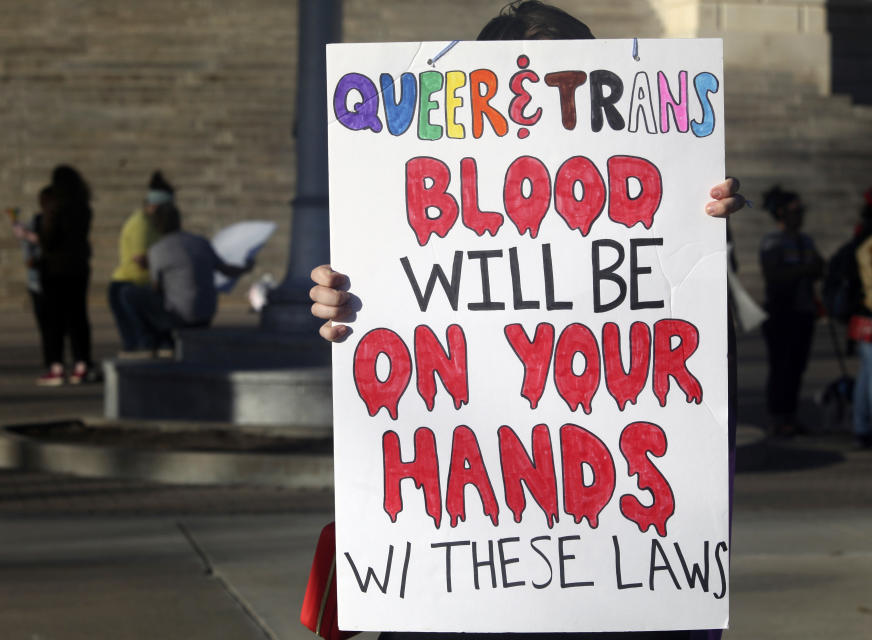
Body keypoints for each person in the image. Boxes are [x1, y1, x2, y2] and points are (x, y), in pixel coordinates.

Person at [309, 3, 749, 640]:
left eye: (561, 79)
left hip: (619, 601)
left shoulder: (657, 206)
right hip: (457, 601)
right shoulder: (403, 201)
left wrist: (703, 245)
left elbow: (695, 385)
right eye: (519, 83)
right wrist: (344, 308)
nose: (537, 104)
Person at [117, 202, 253, 354]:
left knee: (127, 293)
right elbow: (226, 269)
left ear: (156, 225)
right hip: (206, 314)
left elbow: (157, 289)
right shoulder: (200, 242)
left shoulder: (157, 250)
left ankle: (149, 344)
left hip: (181, 318)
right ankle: (163, 341)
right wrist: (247, 267)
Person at [758, 185, 824, 436]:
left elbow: (820, 266)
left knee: (797, 367)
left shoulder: (806, 240)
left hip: (803, 312)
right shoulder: (773, 242)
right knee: (780, 367)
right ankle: (778, 417)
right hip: (781, 313)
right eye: (796, 211)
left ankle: (790, 415)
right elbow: (774, 276)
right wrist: (804, 271)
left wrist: (808, 270)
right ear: (782, 213)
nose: (801, 215)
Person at [37, 164, 95, 385]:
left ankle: (56, 367)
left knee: (54, 320)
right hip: (78, 268)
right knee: (78, 317)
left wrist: (37, 237)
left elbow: (49, 239)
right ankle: (81, 364)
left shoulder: (55, 206)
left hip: (54, 269)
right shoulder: (83, 206)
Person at [108, 171, 171, 355]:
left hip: (144, 287)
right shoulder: (141, 223)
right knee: (138, 344)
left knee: (154, 342)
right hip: (127, 287)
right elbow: (140, 259)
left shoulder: (156, 224)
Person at [9, 186, 54, 370]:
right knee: (45, 322)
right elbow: (29, 249)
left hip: (54, 276)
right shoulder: (37, 220)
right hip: (38, 278)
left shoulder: (60, 222)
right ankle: (51, 359)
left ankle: (55, 360)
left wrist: (27, 236)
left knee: (54, 323)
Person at [849, 189, 872, 449]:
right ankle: (863, 425)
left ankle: (861, 425)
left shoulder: (861, 237)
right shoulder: (867, 243)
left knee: (867, 373)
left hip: (864, 314)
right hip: (869, 313)